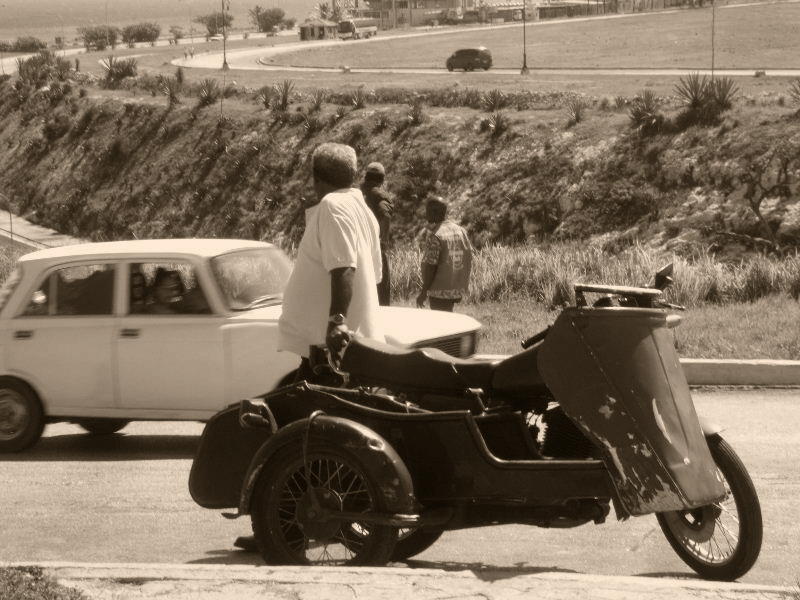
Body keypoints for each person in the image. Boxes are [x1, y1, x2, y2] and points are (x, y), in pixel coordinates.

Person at [278, 142, 384, 382]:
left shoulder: (332, 206)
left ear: (316, 179)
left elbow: (344, 267)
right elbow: (375, 275)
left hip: (333, 349)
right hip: (337, 346)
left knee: (304, 403)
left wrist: (337, 321)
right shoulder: (362, 209)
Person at [416, 196, 473, 312]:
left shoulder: (436, 235)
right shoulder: (461, 231)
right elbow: (468, 257)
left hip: (440, 290)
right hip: (456, 287)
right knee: (449, 316)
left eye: (427, 211)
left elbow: (431, 267)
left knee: (441, 320)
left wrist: (424, 292)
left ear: (434, 212)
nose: (426, 215)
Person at [360, 162, 393, 306]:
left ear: (366, 177)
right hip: (375, 246)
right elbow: (385, 215)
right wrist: (384, 240)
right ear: (382, 179)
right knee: (381, 289)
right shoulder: (379, 195)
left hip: (359, 245)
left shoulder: (360, 193)